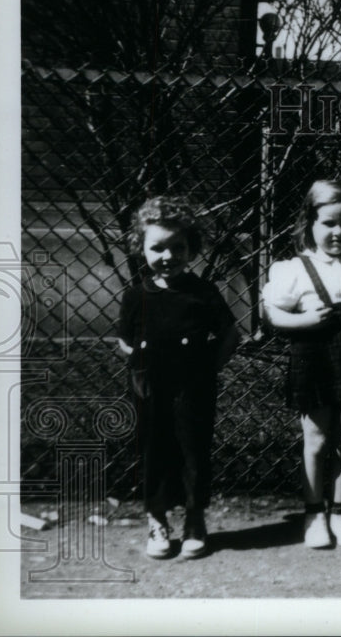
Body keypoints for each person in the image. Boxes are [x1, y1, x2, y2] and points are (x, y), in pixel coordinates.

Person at [262, 179, 341, 550]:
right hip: (315, 362)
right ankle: (314, 512)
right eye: (328, 223)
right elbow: (272, 314)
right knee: (317, 440)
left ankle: (340, 511)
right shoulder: (294, 269)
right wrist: (303, 322)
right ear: (310, 224)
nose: (338, 232)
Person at [118, 196, 239, 560]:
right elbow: (124, 341)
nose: (168, 256)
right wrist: (141, 364)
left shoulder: (202, 293)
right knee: (153, 452)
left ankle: (194, 520)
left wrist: (209, 368)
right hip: (150, 389)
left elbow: (231, 334)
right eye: (157, 247)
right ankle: (157, 520)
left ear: (192, 249)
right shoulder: (136, 295)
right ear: (141, 248)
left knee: (193, 453)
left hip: (193, 388)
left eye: (177, 247)